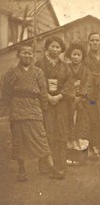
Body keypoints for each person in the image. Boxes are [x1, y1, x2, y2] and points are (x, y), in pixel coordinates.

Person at [2, 44, 55, 182]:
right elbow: (6, 93)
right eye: (24, 53)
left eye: (30, 53)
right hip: (17, 108)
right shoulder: (11, 72)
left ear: (33, 56)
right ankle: (22, 169)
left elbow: (43, 92)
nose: (27, 56)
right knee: (19, 139)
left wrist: (44, 108)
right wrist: (9, 109)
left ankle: (51, 166)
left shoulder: (38, 72)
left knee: (41, 136)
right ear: (19, 55)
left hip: (34, 107)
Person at [35, 36, 74, 179]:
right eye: (52, 46)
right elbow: (35, 82)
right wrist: (46, 96)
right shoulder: (39, 64)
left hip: (60, 103)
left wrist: (59, 96)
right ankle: (45, 164)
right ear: (47, 48)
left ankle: (60, 164)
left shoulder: (65, 67)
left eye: (58, 47)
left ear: (61, 50)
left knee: (61, 132)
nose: (55, 49)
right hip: (45, 102)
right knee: (45, 131)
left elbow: (69, 83)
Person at [65, 43, 93, 166]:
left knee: (82, 127)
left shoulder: (86, 70)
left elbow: (88, 84)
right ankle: (70, 156)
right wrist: (71, 95)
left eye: (78, 55)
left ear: (82, 56)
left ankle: (81, 157)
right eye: (74, 54)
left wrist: (81, 96)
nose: (76, 57)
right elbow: (63, 83)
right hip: (68, 102)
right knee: (69, 126)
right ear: (70, 56)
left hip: (82, 103)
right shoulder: (65, 68)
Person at [84, 32, 100, 159]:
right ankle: (93, 148)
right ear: (89, 42)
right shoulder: (85, 60)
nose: (94, 42)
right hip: (91, 95)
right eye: (92, 40)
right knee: (93, 119)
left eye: (97, 40)